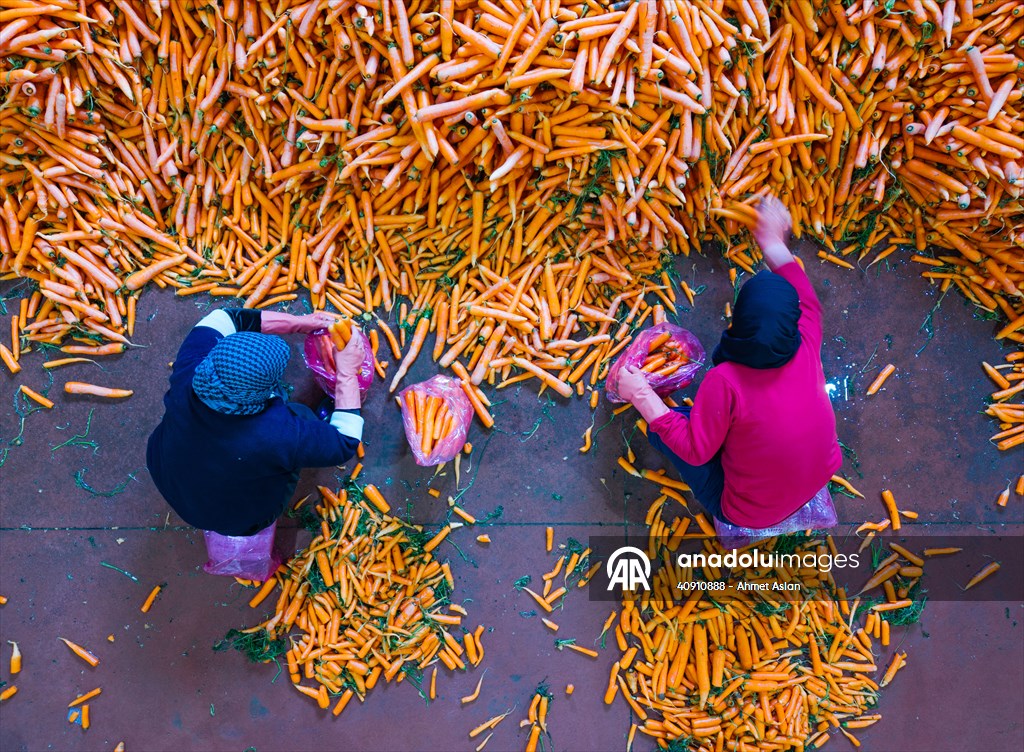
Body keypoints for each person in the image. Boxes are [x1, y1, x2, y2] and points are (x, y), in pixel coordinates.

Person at [616, 196, 841, 528]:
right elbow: (805, 296)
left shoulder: (727, 381)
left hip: (750, 512)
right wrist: (773, 241)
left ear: (741, 321)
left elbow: (695, 450)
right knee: (743, 428)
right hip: (819, 475)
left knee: (665, 428)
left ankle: (734, 513)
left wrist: (640, 394)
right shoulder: (806, 335)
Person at [147, 308, 366, 537]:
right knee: (301, 413)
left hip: (166, 476)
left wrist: (300, 323)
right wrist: (347, 373)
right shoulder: (277, 433)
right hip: (236, 520)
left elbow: (224, 317)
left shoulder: (192, 366)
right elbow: (345, 441)